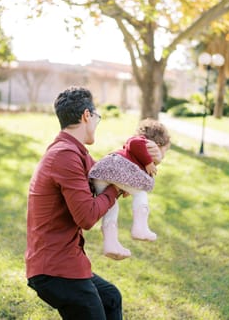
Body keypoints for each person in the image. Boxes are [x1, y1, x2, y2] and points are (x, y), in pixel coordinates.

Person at [25, 87, 161, 320]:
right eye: (97, 117)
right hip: (54, 268)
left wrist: (152, 157)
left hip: (67, 262)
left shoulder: (76, 153)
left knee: (110, 299)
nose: (97, 123)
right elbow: (87, 217)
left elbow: (114, 172)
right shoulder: (64, 156)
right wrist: (116, 188)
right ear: (87, 116)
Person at [89, 119, 171, 260]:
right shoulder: (145, 143)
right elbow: (133, 142)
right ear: (157, 145)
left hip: (101, 174)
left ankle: (111, 244)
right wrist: (148, 162)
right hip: (114, 165)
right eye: (165, 150)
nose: (164, 155)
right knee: (141, 193)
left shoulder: (136, 156)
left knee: (112, 206)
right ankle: (140, 228)